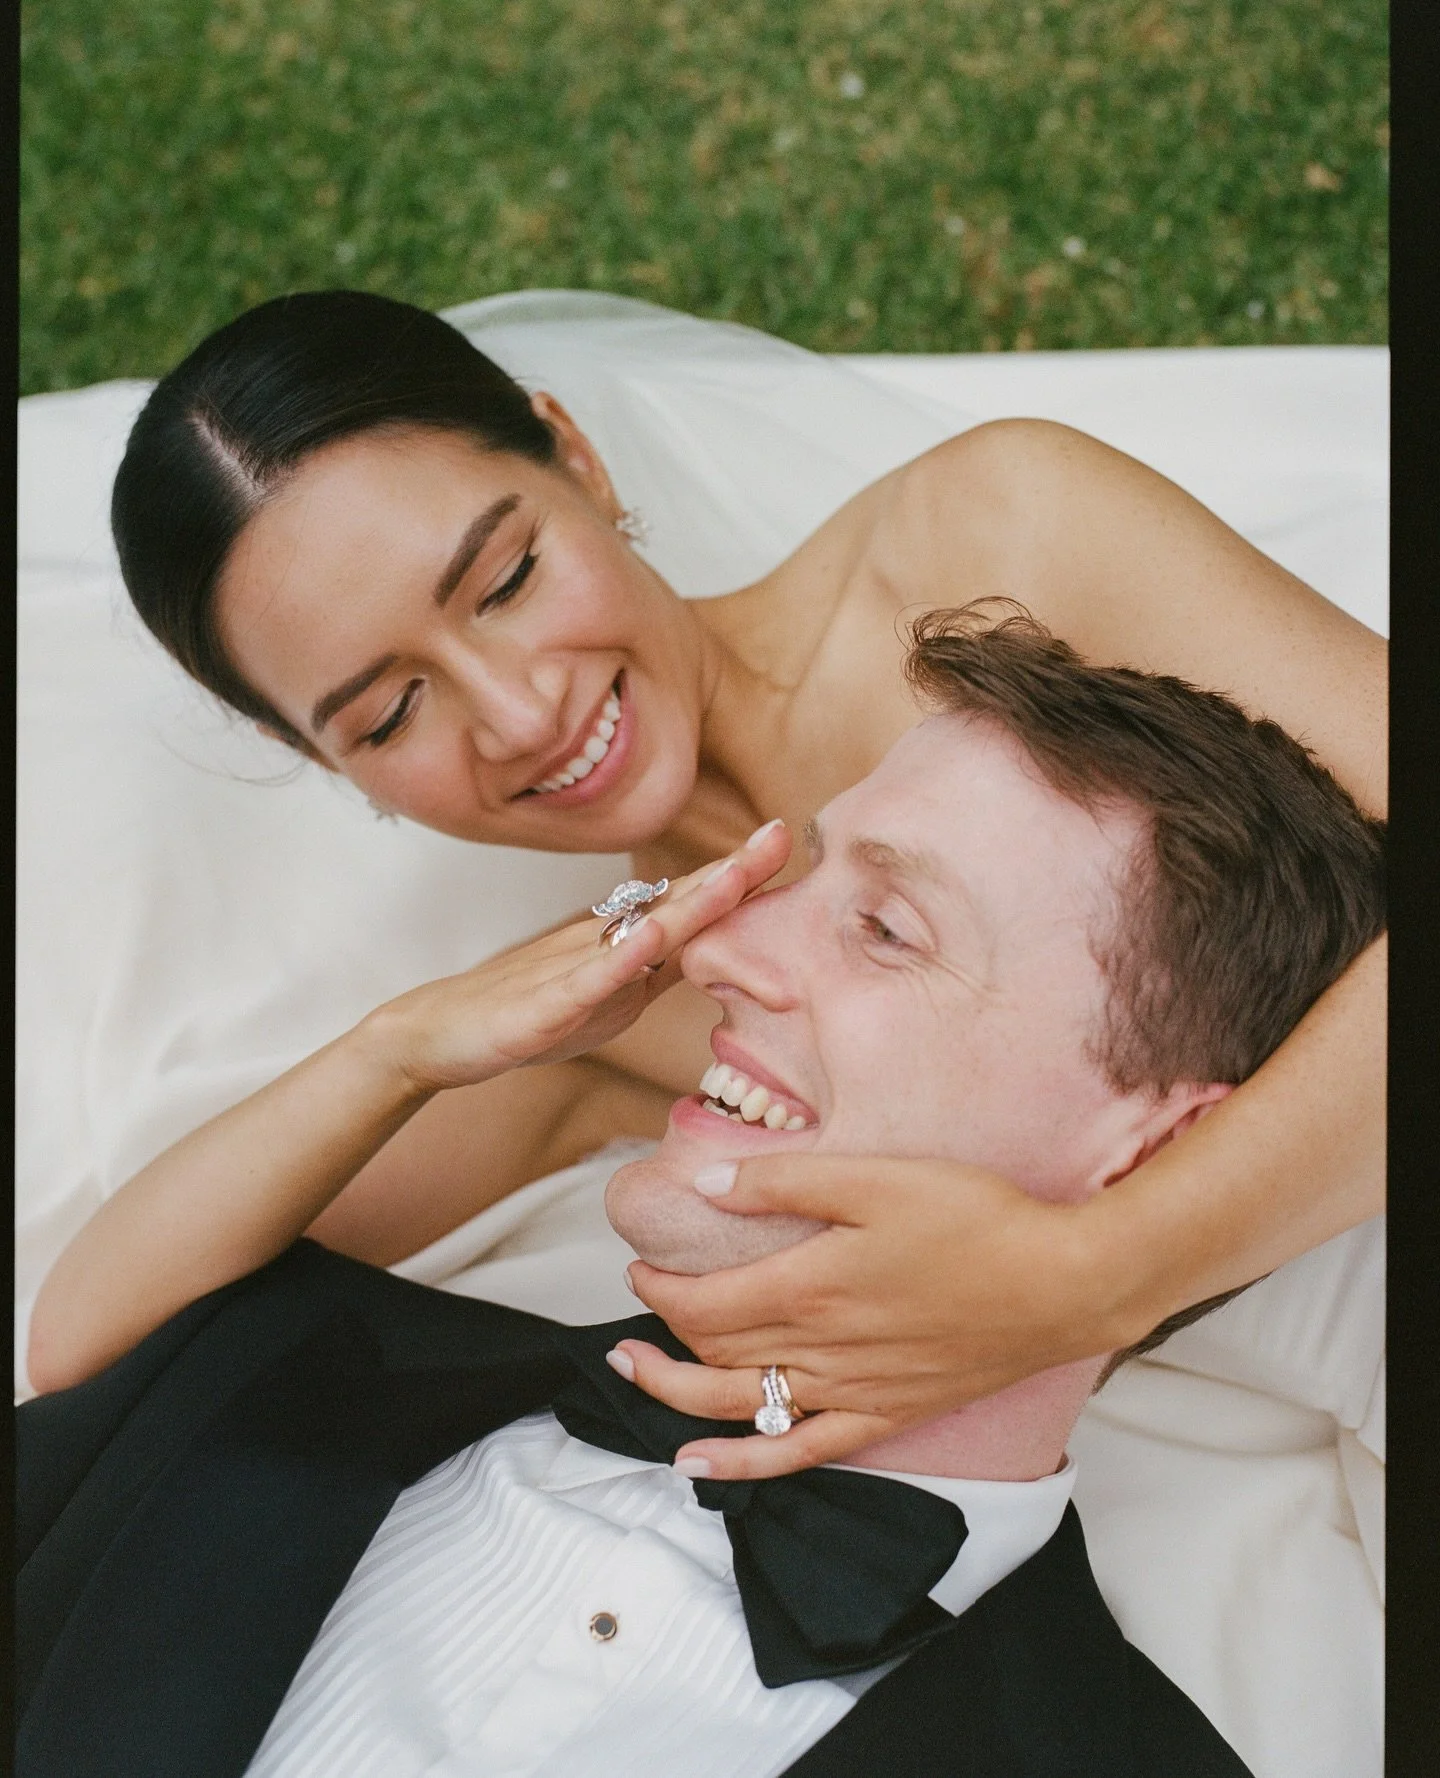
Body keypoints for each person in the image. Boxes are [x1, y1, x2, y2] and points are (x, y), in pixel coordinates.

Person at [20, 617, 1383, 1778]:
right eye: (797, 876)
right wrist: (398, 1043)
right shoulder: (264, 1359)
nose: (722, 944)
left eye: (887, 930)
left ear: (1147, 1147)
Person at [103, 288, 1387, 1472]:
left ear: (580, 463)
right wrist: (392, 1048)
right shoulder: (633, 1012)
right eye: (387, 716)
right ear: (318, 758)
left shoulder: (996, 535)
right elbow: (100, 1341)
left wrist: (1102, 1277)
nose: (520, 709)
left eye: (507, 579)